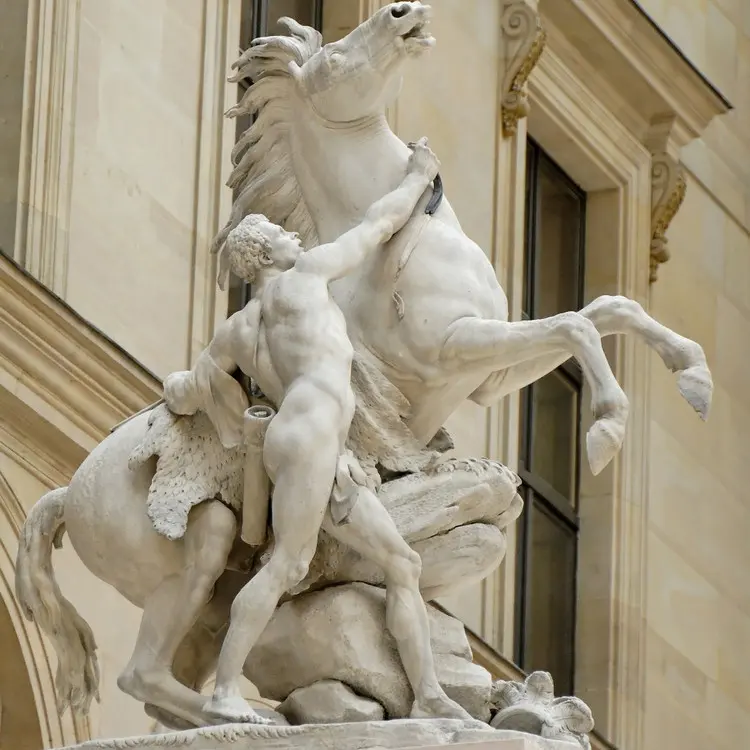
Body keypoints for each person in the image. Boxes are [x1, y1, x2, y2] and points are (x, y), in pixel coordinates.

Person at [174, 138, 472, 724]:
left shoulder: (238, 330)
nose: (294, 235)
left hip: (324, 449)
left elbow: (192, 387)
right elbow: (374, 227)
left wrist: (178, 388)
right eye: (280, 233)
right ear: (265, 253)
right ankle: (225, 689)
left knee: (402, 563)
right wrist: (417, 179)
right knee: (287, 566)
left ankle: (429, 695)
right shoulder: (305, 277)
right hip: (310, 439)